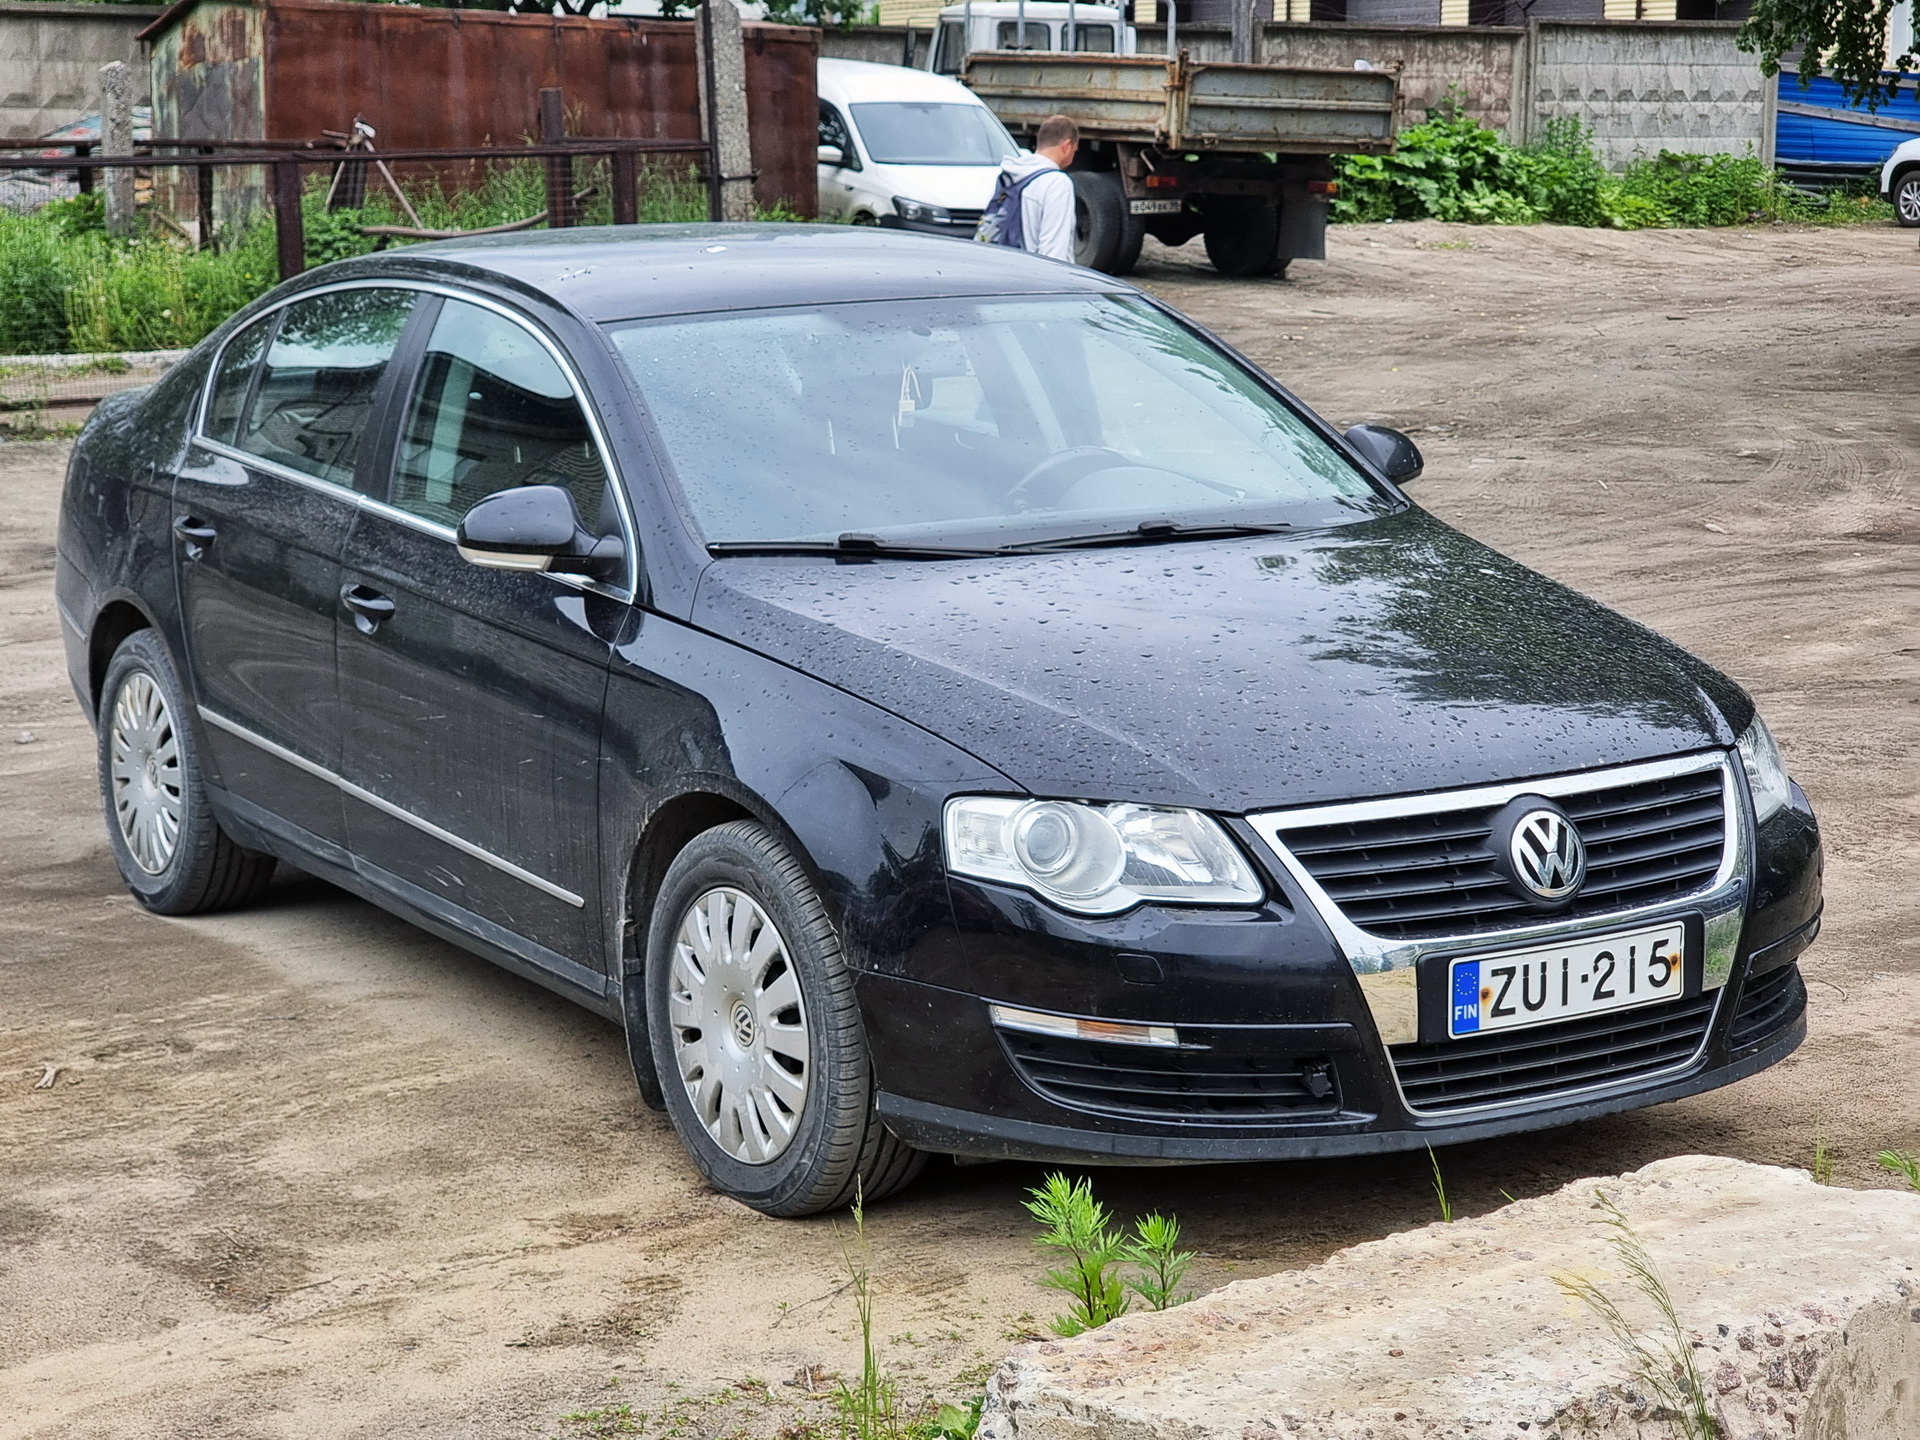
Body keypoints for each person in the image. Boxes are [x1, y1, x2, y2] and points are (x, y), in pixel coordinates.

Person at [986, 114, 1079, 263]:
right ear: (1067, 146)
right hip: (1035, 273)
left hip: (1006, 267)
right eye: (1075, 150)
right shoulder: (1057, 183)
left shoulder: (1011, 174)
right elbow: (1054, 250)